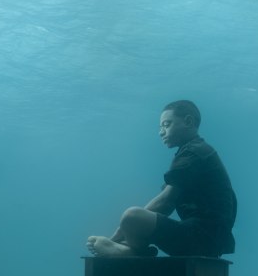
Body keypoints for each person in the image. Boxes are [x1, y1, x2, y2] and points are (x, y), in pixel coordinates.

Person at [87, 100, 237, 258]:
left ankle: (131, 250)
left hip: (201, 238)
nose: (161, 132)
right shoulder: (198, 151)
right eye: (160, 127)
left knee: (131, 215)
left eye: (166, 124)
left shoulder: (193, 153)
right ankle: (131, 248)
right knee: (135, 219)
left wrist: (119, 233)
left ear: (188, 122)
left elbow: (165, 202)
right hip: (209, 241)